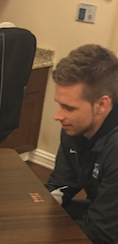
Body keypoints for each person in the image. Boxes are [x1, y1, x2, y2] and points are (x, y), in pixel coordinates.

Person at [45, 44, 118, 243]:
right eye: (59, 104)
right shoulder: (76, 128)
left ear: (102, 104)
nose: (58, 116)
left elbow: (101, 234)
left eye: (69, 107)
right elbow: (61, 186)